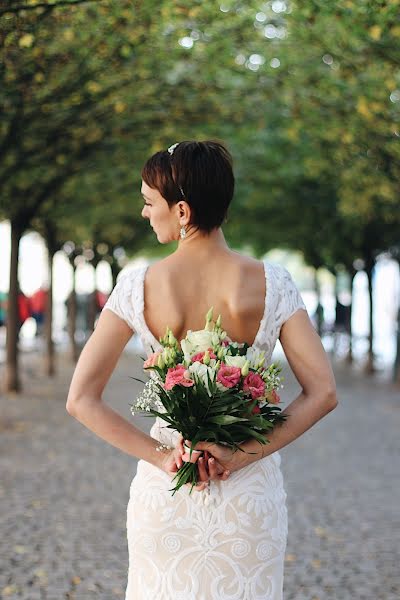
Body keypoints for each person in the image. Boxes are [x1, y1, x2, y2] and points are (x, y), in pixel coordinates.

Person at [66, 140, 337, 600]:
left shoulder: (138, 286)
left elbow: (80, 399)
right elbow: (324, 392)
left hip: (168, 492)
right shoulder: (273, 283)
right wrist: (243, 454)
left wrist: (161, 458)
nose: (144, 213)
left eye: (150, 203)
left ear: (183, 210)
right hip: (248, 498)